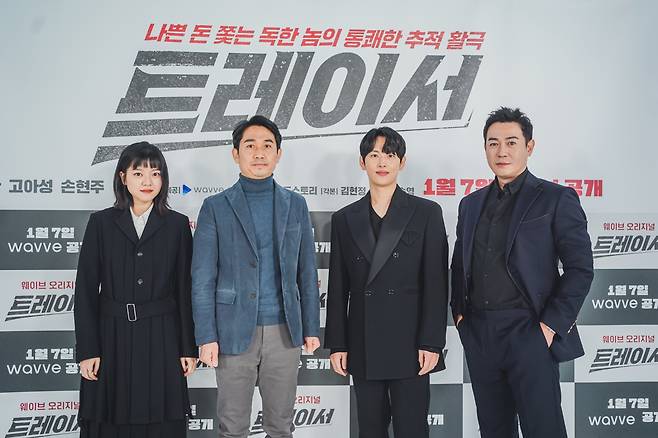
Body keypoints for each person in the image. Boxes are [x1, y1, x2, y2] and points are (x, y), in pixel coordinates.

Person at [451, 107, 594, 437]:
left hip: (530, 330)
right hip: (480, 333)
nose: (502, 151)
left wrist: (547, 328)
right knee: (493, 429)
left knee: (542, 428)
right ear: (485, 147)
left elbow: (580, 268)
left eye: (511, 142)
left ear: (529, 147)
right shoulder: (470, 204)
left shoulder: (556, 198)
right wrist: (461, 318)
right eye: (493, 143)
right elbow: (459, 266)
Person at [191, 115, 321, 438]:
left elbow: (307, 271)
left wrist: (311, 328)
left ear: (279, 153)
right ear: (236, 154)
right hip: (233, 331)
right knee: (233, 427)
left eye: (267, 146)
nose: (259, 153)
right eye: (250, 145)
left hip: (285, 331)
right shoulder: (215, 207)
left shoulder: (296, 205)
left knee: (280, 426)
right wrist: (206, 335)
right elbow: (202, 278)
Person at [324, 127, 449, 438]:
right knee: (370, 429)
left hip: (411, 344)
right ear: (362, 162)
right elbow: (338, 288)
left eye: (389, 155)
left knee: (412, 428)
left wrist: (431, 342)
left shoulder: (427, 212)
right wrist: (338, 343)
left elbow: (437, 284)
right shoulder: (344, 218)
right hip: (363, 342)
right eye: (374, 155)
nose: (382, 162)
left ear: (401, 163)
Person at [74, 141, 197, 438]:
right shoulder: (101, 223)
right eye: (139, 173)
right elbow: (86, 290)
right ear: (122, 177)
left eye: (155, 174)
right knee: (108, 417)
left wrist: (187, 348)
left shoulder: (177, 225)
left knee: (162, 416)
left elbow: (185, 290)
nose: (147, 181)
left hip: (163, 337)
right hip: (110, 336)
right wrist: (88, 350)